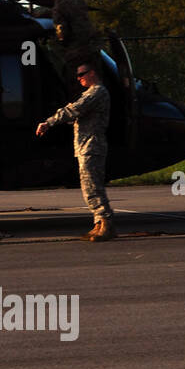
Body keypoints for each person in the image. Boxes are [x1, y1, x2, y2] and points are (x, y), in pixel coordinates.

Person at [35, 61, 116, 241]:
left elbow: (74, 109)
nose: (78, 78)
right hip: (85, 146)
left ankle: (106, 223)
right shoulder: (91, 93)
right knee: (89, 186)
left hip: (91, 146)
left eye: (82, 74)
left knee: (93, 186)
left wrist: (49, 122)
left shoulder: (97, 92)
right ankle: (99, 223)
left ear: (92, 73)